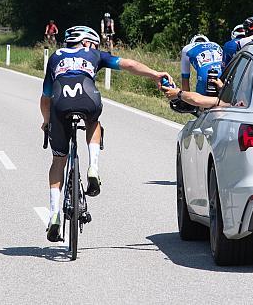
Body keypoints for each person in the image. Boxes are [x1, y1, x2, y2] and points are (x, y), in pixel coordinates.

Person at [40, 25, 173, 242]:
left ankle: (54, 212)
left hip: (59, 104)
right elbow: (129, 64)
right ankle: (94, 166)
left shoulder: (55, 57)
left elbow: (45, 96)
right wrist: (154, 74)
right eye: (93, 43)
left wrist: (46, 122)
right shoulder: (94, 54)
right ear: (86, 42)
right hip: (88, 97)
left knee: (58, 161)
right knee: (93, 121)